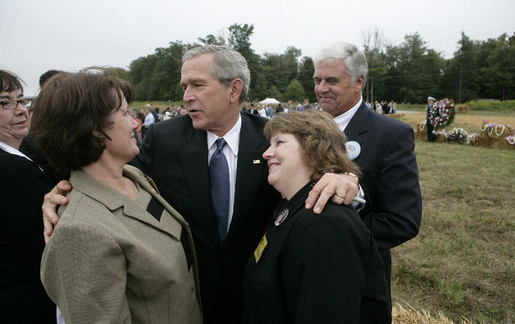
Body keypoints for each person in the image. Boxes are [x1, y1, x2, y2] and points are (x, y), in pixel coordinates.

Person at [42, 45, 359, 323]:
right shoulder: (161, 139)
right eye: (184, 86)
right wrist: (60, 192)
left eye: (197, 85)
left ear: (233, 90)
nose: (186, 96)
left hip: (257, 301)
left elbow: (319, 176)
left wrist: (345, 177)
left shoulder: (272, 140)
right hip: (186, 302)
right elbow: (104, 175)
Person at [31, 71, 202, 323]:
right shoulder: (79, 231)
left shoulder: (133, 176)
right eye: (125, 113)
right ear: (94, 129)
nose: (136, 123)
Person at [243, 110, 390, 323]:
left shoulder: (325, 224)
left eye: (279, 143)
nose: (266, 153)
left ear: (313, 149)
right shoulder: (292, 207)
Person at [312, 42, 422, 306]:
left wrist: (334, 238)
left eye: (332, 80)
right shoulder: (301, 128)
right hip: (300, 271)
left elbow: (402, 221)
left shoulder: (390, 134)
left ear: (358, 82)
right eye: (317, 79)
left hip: (356, 279)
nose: (321, 88)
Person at [0, 70, 57, 323]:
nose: (21, 110)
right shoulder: (11, 170)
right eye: (4, 103)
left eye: (21, 100)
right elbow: (50, 239)